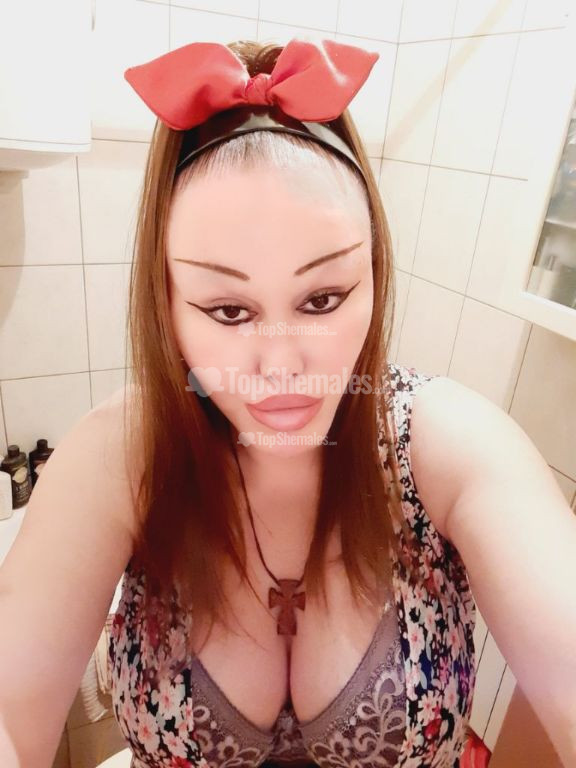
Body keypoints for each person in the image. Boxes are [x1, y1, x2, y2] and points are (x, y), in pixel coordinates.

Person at [0, 37, 575, 768]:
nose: (280, 367)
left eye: (323, 299)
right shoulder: (123, 454)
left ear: (374, 276)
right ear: (168, 304)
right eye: (228, 311)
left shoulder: (445, 445)